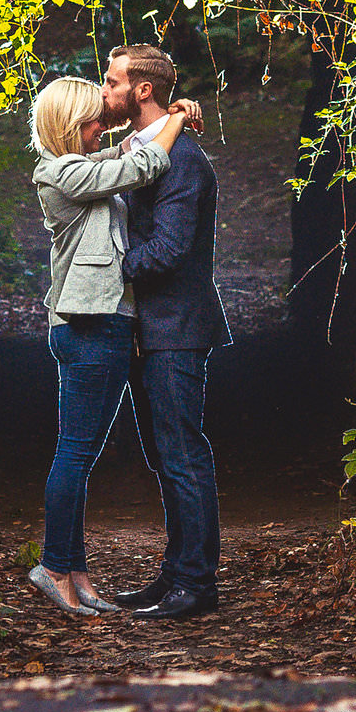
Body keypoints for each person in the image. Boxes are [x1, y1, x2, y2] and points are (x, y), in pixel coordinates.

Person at [24, 73, 198, 618]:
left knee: (82, 453)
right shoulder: (60, 172)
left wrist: (154, 125)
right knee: (75, 452)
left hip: (103, 324)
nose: (104, 124)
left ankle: (75, 572)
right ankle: (54, 566)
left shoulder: (85, 168)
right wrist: (175, 120)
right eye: (94, 119)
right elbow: (142, 165)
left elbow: (125, 154)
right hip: (90, 325)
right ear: (72, 126)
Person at [94, 44, 228, 621]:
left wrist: (104, 263)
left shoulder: (184, 161)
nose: (106, 90)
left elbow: (169, 250)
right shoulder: (140, 148)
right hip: (150, 330)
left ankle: (196, 585)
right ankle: (174, 576)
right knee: (163, 455)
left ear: (142, 90)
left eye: (112, 81)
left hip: (175, 330)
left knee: (181, 456)